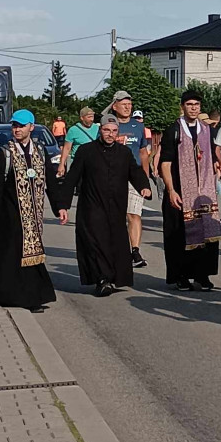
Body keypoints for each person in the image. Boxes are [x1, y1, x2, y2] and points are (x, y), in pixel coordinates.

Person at [0, 109, 68, 312]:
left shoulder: (40, 151)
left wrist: (59, 206)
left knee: (30, 254)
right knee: (10, 254)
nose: (17, 129)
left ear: (31, 127)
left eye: (21, 126)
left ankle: (30, 296)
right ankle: (17, 295)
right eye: (14, 125)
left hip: (33, 217)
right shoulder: (5, 154)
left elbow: (50, 182)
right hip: (9, 216)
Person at [57, 115, 152, 297]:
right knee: (96, 242)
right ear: (100, 130)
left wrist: (144, 186)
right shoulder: (86, 151)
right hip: (92, 206)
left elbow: (134, 171)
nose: (110, 134)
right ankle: (102, 279)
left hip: (116, 206)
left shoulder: (124, 152)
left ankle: (112, 277)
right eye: (107, 130)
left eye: (114, 131)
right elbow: (72, 178)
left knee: (114, 243)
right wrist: (63, 205)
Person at [159, 90, 221, 291]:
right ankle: (181, 276)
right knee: (178, 235)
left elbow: (213, 155)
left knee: (206, 233)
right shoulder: (174, 130)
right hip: (180, 190)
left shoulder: (207, 130)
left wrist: (218, 165)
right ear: (182, 107)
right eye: (189, 104)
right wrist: (171, 190)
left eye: (196, 104)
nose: (193, 108)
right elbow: (165, 163)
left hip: (203, 191)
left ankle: (202, 275)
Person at [102, 91, 151, 269]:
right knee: (114, 216)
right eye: (124, 104)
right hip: (113, 176)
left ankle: (135, 251)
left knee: (134, 214)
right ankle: (114, 250)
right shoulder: (109, 125)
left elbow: (143, 153)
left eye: (129, 104)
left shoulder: (138, 126)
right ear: (115, 106)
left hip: (134, 176)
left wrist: (145, 178)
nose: (127, 107)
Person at [57, 107, 99, 177]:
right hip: (78, 163)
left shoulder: (97, 128)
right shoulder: (73, 130)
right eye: (89, 117)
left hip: (94, 163)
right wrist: (61, 164)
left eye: (92, 117)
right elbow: (67, 148)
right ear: (82, 118)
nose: (91, 119)